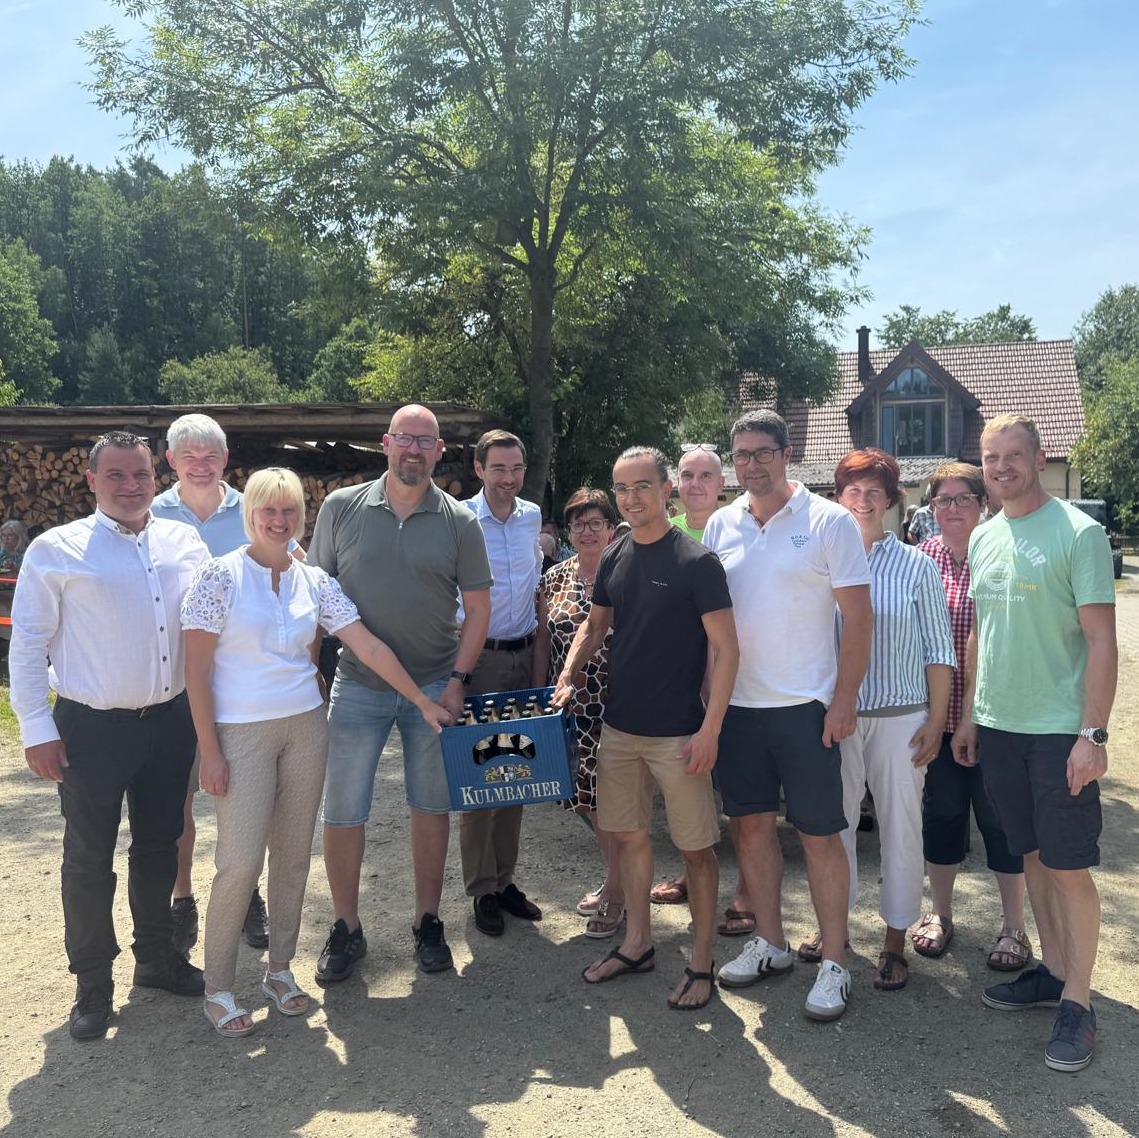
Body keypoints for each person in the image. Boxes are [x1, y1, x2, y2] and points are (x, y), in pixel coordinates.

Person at [182, 468, 450, 1036]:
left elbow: (367, 646)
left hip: (306, 727)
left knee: (293, 856)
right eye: (268, 510)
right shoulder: (220, 575)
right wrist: (209, 750)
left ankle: (279, 970)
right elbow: (196, 670)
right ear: (250, 513)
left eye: (289, 512)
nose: (278, 521)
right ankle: (219, 986)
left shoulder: (314, 580)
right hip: (241, 732)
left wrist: (421, 702)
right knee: (239, 861)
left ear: (301, 519)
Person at [9, 431, 209, 1041]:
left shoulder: (184, 541)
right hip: (90, 729)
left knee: (159, 846)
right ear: (91, 480)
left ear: (157, 477)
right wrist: (36, 728)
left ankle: (156, 959)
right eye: (116, 475)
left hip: (170, 722)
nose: (130, 485)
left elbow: (216, 616)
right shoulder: (57, 549)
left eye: (140, 474)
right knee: (88, 859)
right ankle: (92, 983)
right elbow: (27, 644)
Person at [953, 415, 1116, 1073]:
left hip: (1057, 732)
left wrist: (1092, 735)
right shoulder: (984, 535)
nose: (1001, 467)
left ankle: (1078, 1002)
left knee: (1067, 866)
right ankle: (1051, 972)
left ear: (1039, 458)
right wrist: (971, 715)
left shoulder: (1078, 534)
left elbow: (1101, 640)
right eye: (990, 457)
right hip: (999, 727)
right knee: (1032, 856)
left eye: (1013, 455)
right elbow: (980, 630)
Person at [308, 404, 491, 979]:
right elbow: (314, 597)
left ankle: (427, 921)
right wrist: (309, 672)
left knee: (431, 807)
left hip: (435, 686)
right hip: (357, 685)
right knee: (343, 810)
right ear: (385, 444)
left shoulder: (461, 522)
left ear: (439, 451)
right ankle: (345, 927)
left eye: (425, 441)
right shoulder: (340, 508)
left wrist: (459, 681)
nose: (414, 450)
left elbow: (479, 611)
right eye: (405, 439)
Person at [555, 446, 738, 1011]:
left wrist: (711, 729)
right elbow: (595, 625)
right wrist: (568, 673)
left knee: (696, 851)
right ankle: (637, 944)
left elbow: (727, 650)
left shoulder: (697, 563)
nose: (631, 498)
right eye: (622, 488)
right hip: (619, 730)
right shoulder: (615, 554)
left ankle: (702, 963)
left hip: (679, 735)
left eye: (642, 487)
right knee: (628, 836)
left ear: (666, 489)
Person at [703, 411, 871, 1022]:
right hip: (739, 708)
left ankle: (835, 962)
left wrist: (844, 699)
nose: (751, 465)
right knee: (750, 830)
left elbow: (859, 618)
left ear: (787, 453)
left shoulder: (830, 521)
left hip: (806, 709)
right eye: (741, 455)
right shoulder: (720, 523)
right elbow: (711, 622)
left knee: (819, 837)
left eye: (762, 452)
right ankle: (770, 942)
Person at [152, 413, 280, 958]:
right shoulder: (150, 512)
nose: (200, 466)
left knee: (244, 797)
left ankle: (247, 891)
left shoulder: (252, 509)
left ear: (225, 459)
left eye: (210, 457)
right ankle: (182, 899)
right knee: (178, 799)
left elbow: (287, 565)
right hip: (172, 684)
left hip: (241, 680)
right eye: (189, 457)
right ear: (170, 461)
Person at [828, 448, 955, 992]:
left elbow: (939, 650)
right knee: (832, 827)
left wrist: (937, 721)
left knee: (902, 829)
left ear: (891, 500)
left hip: (902, 716)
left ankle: (895, 937)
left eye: (874, 492)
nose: (862, 500)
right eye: (853, 490)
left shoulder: (916, 565)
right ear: (839, 497)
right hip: (836, 718)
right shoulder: (822, 561)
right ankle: (835, 929)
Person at [912, 462, 1030, 970]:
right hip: (935, 719)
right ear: (931, 507)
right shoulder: (921, 559)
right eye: (943, 499)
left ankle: (1014, 926)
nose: (953, 509)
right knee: (941, 816)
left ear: (983, 504)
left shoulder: (1002, 552)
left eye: (964, 498)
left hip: (997, 717)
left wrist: (974, 717)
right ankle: (940, 914)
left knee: (1001, 821)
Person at [652, 444, 755, 938]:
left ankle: (747, 891)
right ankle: (690, 873)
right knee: (687, 786)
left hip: (732, 677)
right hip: (679, 679)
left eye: (706, 475)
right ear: (675, 483)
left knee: (741, 791)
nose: (695, 484)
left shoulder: (739, 529)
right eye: (687, 475)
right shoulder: (661, 531)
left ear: (722, 483)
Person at [459, 430, 544, 937]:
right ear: (479, 469)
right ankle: (481, 889)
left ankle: (505, 880)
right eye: (498, 469)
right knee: (480, 779)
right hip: (480, 661)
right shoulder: (460, 519)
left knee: (517, 773)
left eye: (516, 469)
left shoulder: (532, 516)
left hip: (524, 656)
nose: (508, 478)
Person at [532, 487, 621, 936]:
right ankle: (616, 879)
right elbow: (543, 642)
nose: (587, 532)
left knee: (614, 802)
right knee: (583, 800)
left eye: (595, 523)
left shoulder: (626, 573)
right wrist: (539, 696)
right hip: (570, 706)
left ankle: (619, 892)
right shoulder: (553, 578)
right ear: (568, 531)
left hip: (620, 706)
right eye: (578, 524)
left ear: (611, 529)